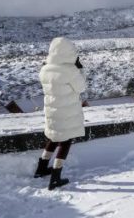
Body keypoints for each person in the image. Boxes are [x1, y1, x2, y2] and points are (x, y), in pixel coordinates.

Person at [34, 37, 87, 190]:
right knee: (65, 141)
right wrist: (80, 69)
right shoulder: (70, 70)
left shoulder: (44, 68)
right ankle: (55, 177)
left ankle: (41, 168)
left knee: (54, 137)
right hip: (67, 111)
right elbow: (81, 87)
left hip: (52, 110)